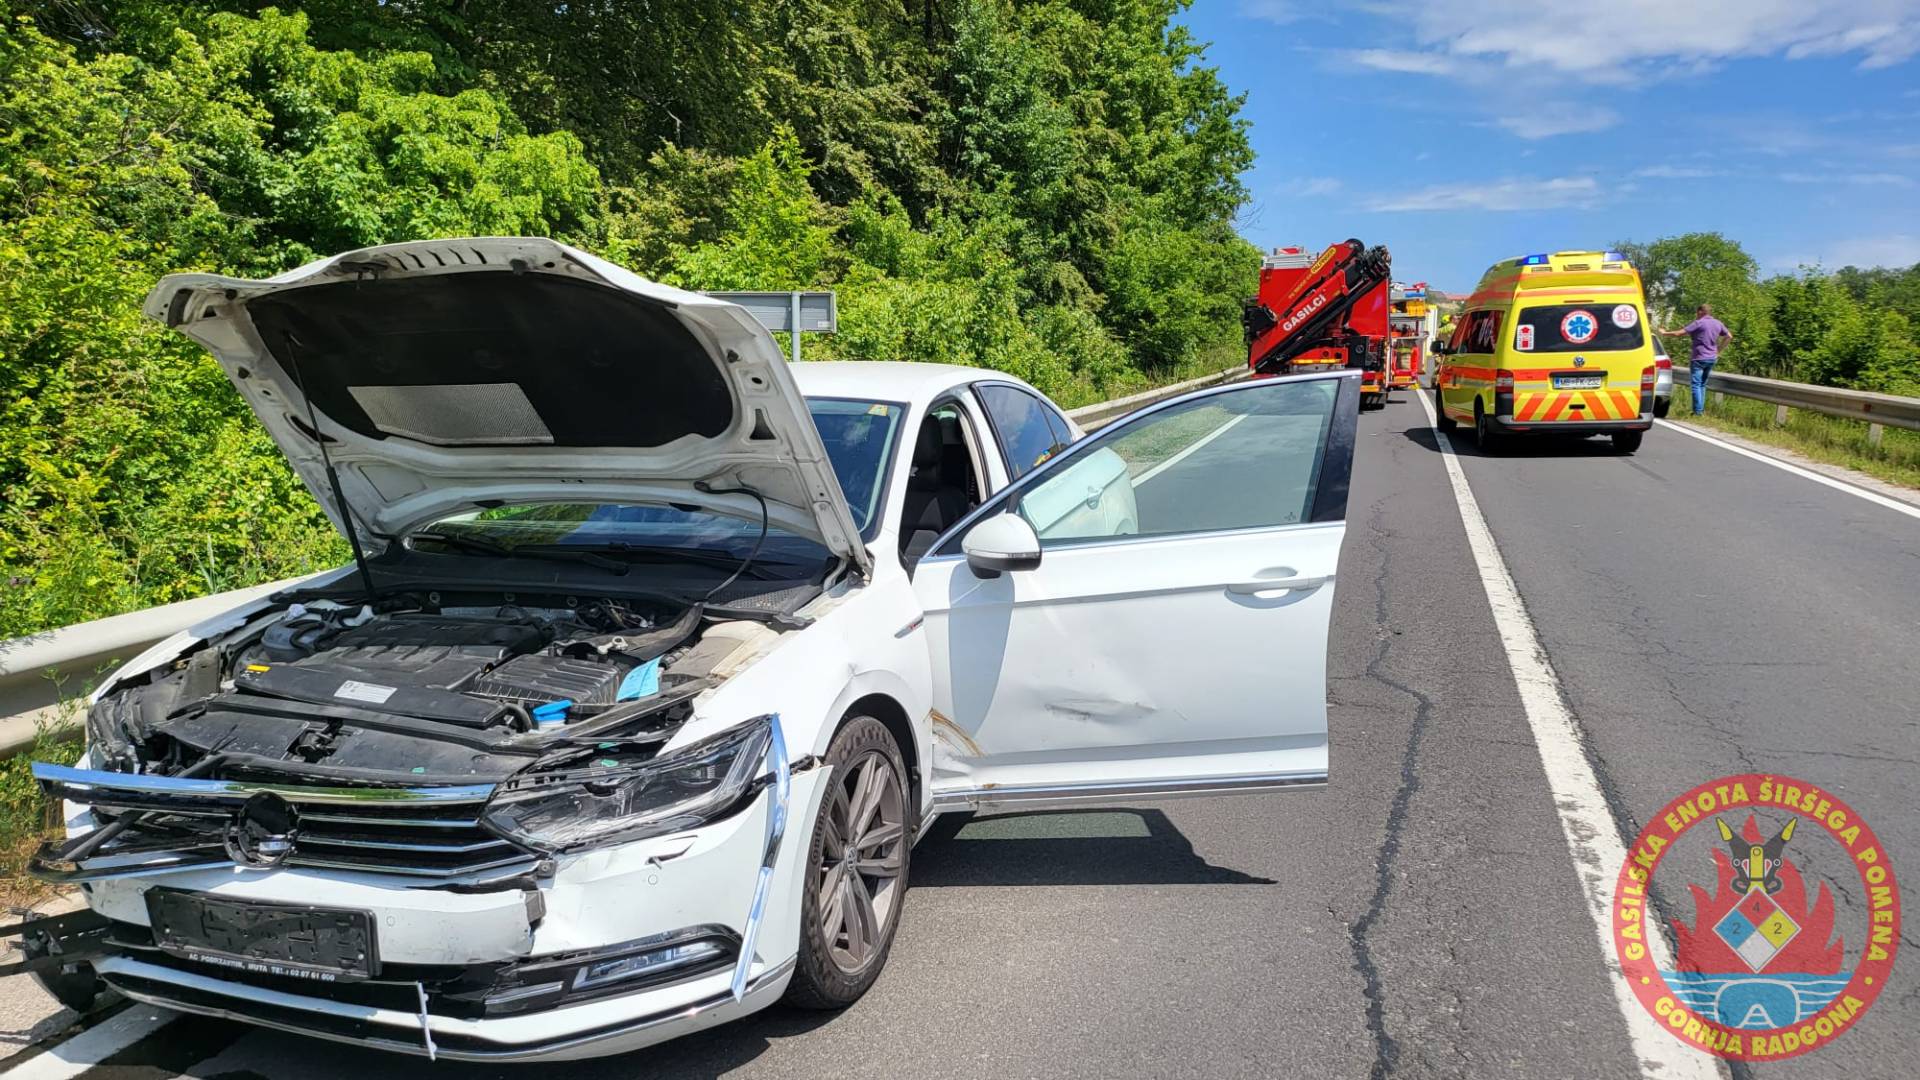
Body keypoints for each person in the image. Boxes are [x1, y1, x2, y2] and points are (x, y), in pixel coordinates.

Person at [1658, 304, 1732, 415]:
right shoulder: (1718, 323)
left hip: (1699, 358)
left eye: (1697, 312)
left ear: (1701, 311)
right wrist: (1718, 351)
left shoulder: (1699, 323)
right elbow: (1729, 336)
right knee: (1702, 384)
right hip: (1711, 358)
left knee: (1696, 384)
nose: (1696, 315)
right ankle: (1700, 410)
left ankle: (1697, 412)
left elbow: (1678, 333)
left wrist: (1664, 333)